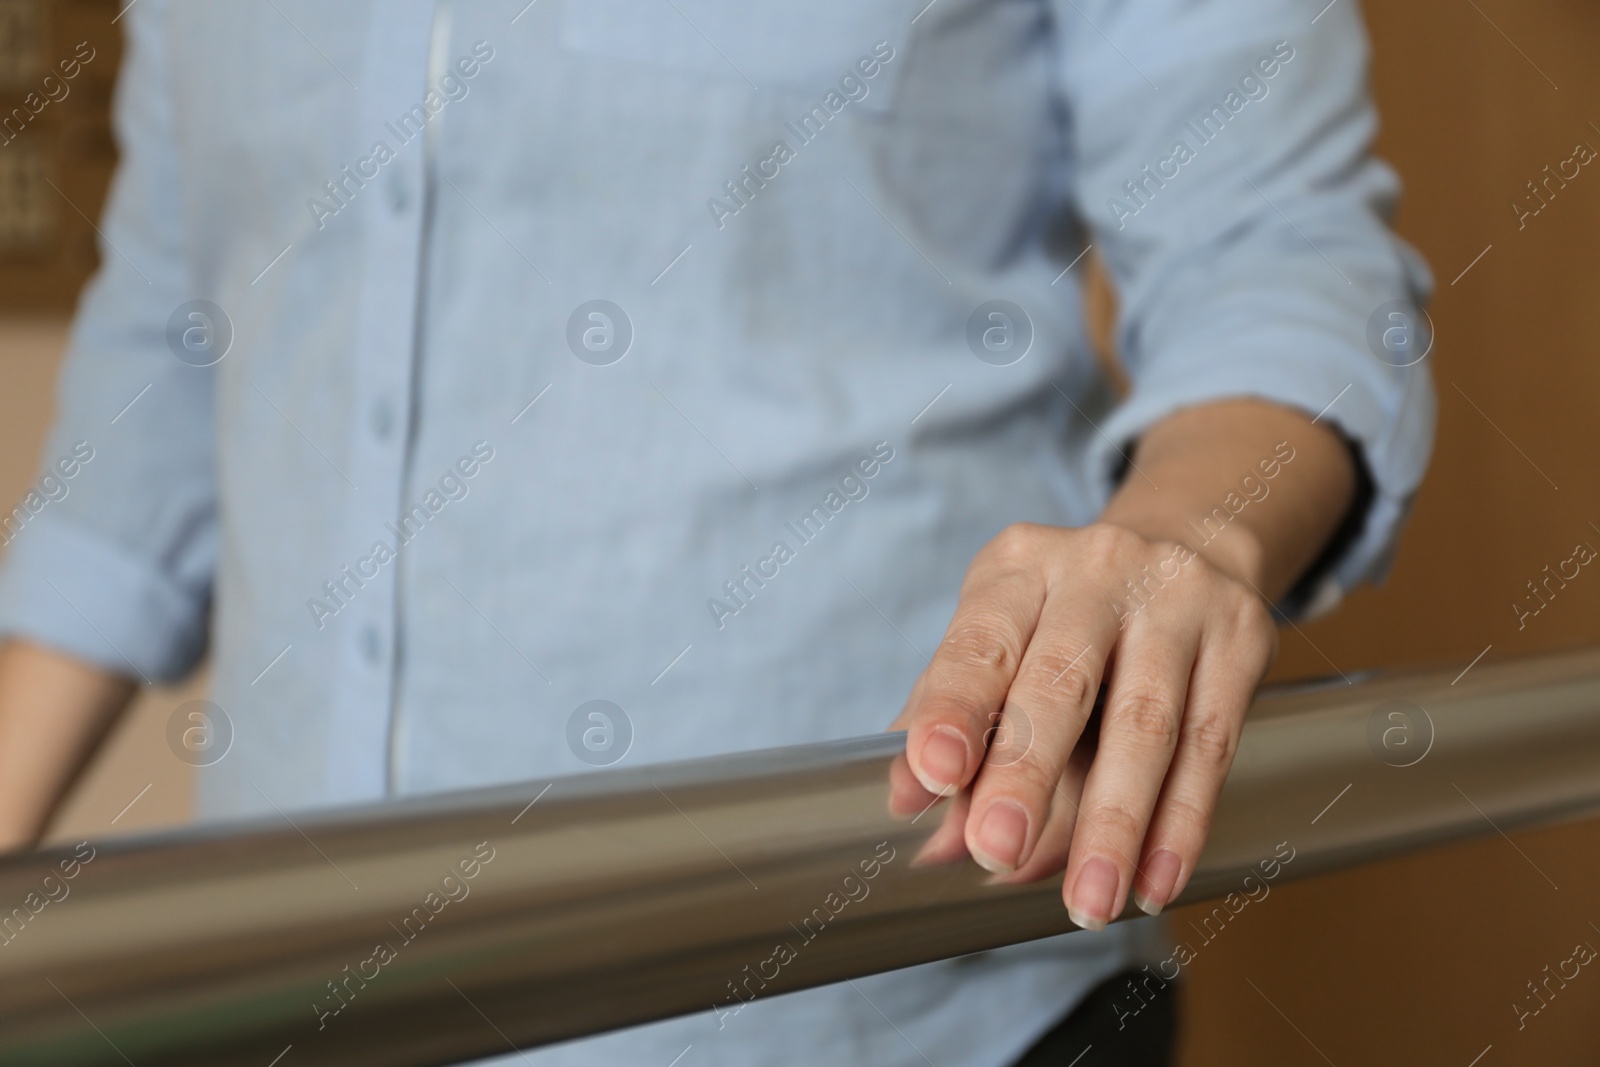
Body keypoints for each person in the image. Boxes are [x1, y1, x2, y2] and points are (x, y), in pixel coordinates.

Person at [0, 0, 1434, 1064]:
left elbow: (1282, 251)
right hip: (282, 999)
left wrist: (1194, 538)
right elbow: (174, 354)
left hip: (897, 1007)